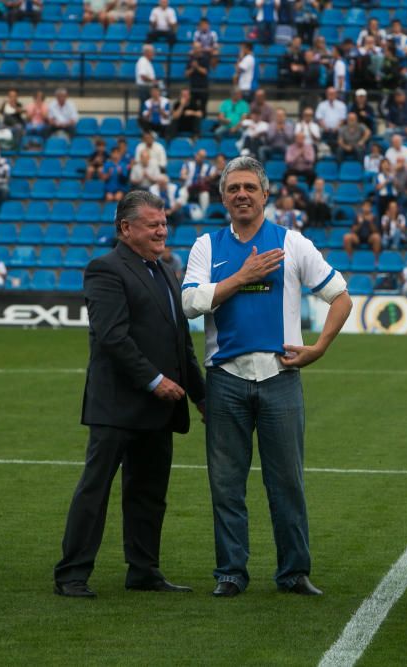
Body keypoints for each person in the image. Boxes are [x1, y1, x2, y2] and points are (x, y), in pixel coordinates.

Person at [181, 156, 352, 597]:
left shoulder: (292, 243)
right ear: (222, 197)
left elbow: (341, 297)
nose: (241, 194)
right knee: (226, 483)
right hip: (226, 381)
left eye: (249, 188)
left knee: (287, 482)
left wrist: (319, 347)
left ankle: (294, 573)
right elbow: (190, 304)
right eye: (233, 188)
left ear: (265, 194)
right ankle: (231, 573)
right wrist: (242, 277)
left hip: (280, 378)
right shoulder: (207, 246)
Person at [54, 191, 205, 598]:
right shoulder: (105, 269)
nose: (162, 230)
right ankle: (71, 574)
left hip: (159, 409)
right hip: (118, 405)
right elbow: (112, 336)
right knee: (95, 490)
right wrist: (155, 380)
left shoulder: (165, 272)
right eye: (153, 224)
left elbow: (181, 345)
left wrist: (201, 396)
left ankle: (143, 570)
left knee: (149, 494)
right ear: (125, 228)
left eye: (163, 223)